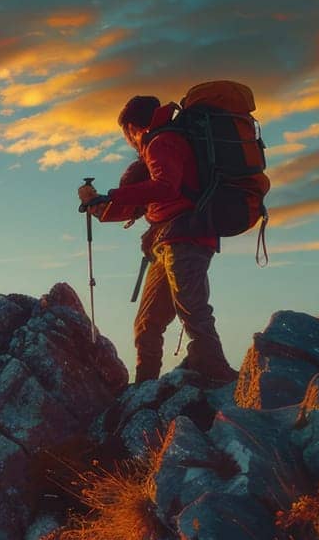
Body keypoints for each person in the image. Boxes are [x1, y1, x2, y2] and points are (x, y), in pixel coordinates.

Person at [79, 95, 238, 386]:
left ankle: (218, 375)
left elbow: (165, 188)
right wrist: (99, 206)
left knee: (192, 309)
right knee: (148, 323)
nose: (128, 140)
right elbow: (143, 202)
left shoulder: (161, 142)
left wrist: (113, 195)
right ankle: (144, 388)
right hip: (169, 241)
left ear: (133, 126)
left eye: (127, 132)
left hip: (186, 236)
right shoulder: (161, 144)